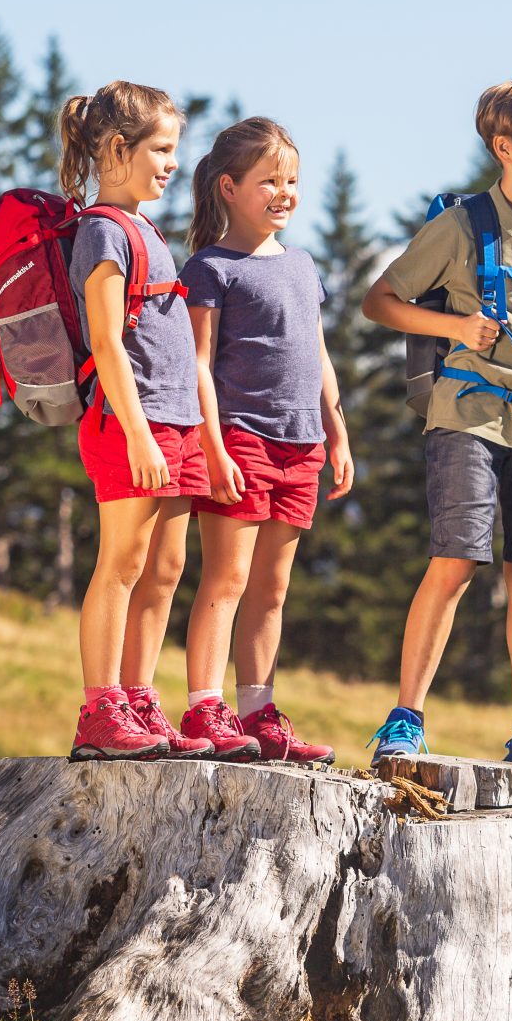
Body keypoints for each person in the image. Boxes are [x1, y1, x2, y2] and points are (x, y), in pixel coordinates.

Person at [358, 79, 512, 770]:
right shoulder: (461, 226)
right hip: (467, 415)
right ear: (505, 146)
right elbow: (381, 299)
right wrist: (454, 325)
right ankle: (405, 718)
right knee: (457, 560)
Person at [59, 81, 252, 764]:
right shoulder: (104, 230)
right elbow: (108, 341)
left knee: (167, 567)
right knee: (123, 562)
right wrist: (138, 433)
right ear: (118, 149)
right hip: (129, 421)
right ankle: (100, 707)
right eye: (161, 149)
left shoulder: (146, 227)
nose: (172, 162)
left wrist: (200, 433)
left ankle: (139, 697)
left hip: (175, 422)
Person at [179, 118, 351, 766]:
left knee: (271, 590)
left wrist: (336, 427)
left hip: (300, 445)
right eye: (269, 181)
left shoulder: (303, 267)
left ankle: (259, 709)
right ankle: (205, 704)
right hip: (240, 440)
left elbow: (318, 354)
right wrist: (213, 447)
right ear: (229, 187)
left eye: (292, 181)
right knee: (225, 578)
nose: (284, 192)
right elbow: (198, 363)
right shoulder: (211, 268)